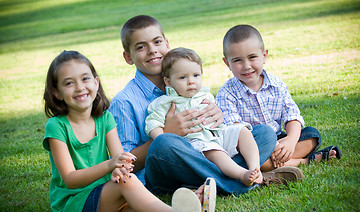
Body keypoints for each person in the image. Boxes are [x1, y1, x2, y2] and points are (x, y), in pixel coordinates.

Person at [109, 15, 302, 196]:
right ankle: (241, 182)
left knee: (264, 133)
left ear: (167, 44)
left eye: (157, 42)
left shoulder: (188, 78)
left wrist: (218, 115)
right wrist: (169, 133)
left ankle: (233, 178)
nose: (152, 50)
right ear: (128, 57)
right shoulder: (124, 101)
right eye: (141, 47)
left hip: (210, 150)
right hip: (167, 170)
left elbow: (219, 129)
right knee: (164, 143)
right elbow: (126, 164)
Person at [42, 50, 216, 212]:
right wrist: (110, 166)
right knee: (126, 183)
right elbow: (70, 179)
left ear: (96, 82)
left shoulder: (104, 118)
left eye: (85, 79)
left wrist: (120, 168)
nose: (79, 87)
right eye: (69, 83)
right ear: (56, 92)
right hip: (75, 207)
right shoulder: (57, 126)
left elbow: (123, 162)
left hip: (105, 198)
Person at [216, 24, 342, 171]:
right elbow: (235, 130)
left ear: (264, 56)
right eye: (238, 60)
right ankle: (306, 161)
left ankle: (276, 161)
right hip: (252, 145)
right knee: (249, 159)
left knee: (312, 135)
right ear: (227, 63)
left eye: (252, 57)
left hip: (280, 140)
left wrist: (290, 141)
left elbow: (291, 115)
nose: (246, 65)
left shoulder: (276, 84)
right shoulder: (226, 93)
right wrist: (270, 147)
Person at [145, 47, 263, 187]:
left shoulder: (205, 95)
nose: (191, 81)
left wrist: (219, 115)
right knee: (215, 152)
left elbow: (219, 120)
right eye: (183, 77)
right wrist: (163, 137)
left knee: (248, 131)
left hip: (216, 135)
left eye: (195, 75)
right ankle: (240, 175)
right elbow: (152, 123)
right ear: (168, 82)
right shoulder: (166, 102)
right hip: (194, 145)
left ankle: (254, 168)